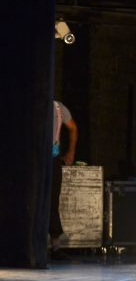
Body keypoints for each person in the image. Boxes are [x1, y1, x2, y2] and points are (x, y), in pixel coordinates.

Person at [50, 100, 78, 254]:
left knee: (53, 199)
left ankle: (55, 243)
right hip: (34, 160)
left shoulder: (58, 107)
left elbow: (73, 128)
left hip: (52, 158)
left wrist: (71, 152)